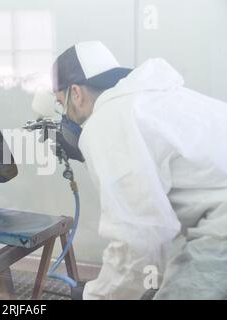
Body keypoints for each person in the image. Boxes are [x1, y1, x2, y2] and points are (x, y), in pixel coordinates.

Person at [51, 41, 227, 299]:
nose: (63, 113)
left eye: (60, 103)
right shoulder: (154, 98)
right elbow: (164, 224)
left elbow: (138, 237)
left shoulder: (107, 121)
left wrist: (96, 296)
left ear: (75, 93)